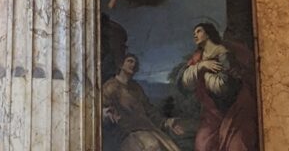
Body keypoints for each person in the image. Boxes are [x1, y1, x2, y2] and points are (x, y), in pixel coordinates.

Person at [177, 23, 258, 151]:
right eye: (194, 32)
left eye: (198, 31)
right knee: (202, 144)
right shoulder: (198, 58)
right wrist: (201, 66)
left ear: (208, 33)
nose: (195, 34)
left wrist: (205, 75)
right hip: (212, 111)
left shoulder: (222, 52)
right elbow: (183, 82)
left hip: (234, 108)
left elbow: (224, 87)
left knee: (237, 145)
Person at [102, 53, 183, 151]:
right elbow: (102, 108)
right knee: (152, 146)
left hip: (147, 128)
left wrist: (166, 122)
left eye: (135, 63)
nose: (133, 64)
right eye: (130, 61)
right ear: (120, 64)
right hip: (126, 133)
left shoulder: (136, 88)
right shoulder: (110, 87)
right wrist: (106, 113)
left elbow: (149, 110)